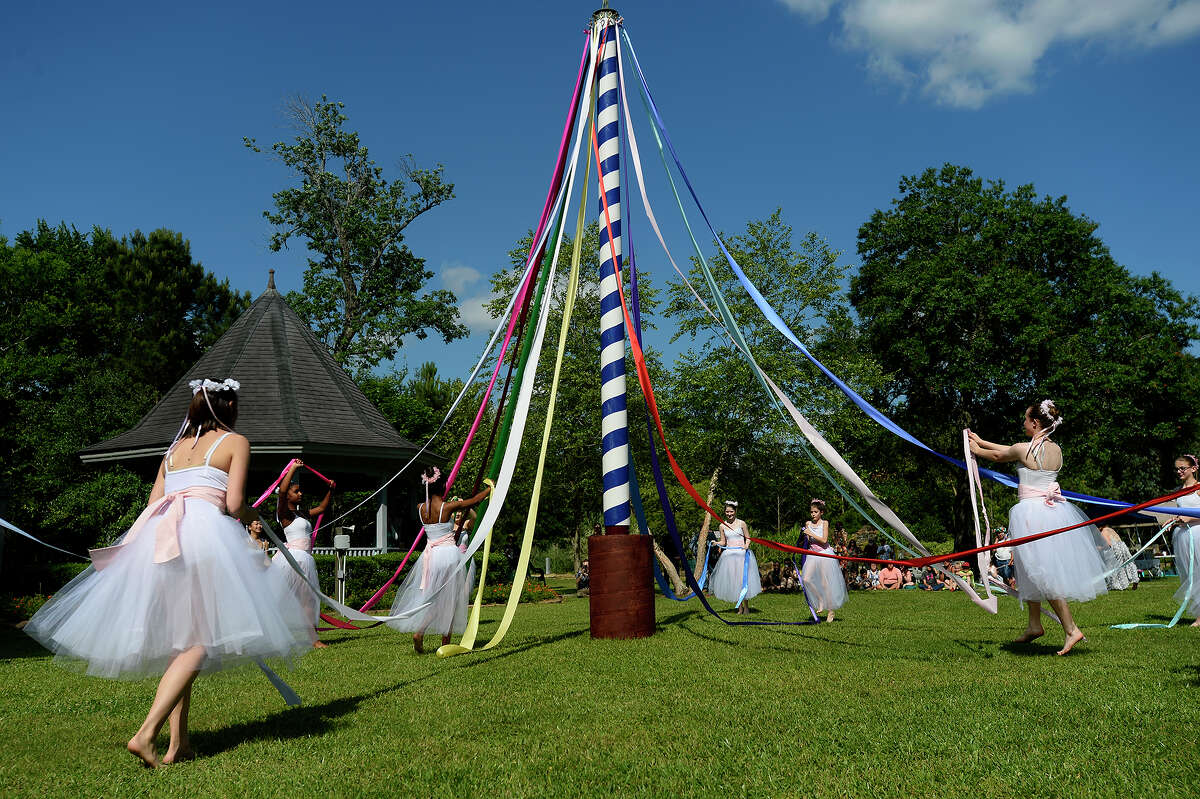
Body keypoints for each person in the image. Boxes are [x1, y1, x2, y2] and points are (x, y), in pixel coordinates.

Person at [25, 378, 315, 767]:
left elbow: (155, 501)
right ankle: (146, 734)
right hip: (204, 539)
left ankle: (180, 743)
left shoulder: (174, 451)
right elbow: (232, 504)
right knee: (198, 642)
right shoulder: (236, 442)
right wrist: (254, 517)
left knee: (182, 644)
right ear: (229, 408)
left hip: (164, 539)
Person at [969, 399, 1107, 655]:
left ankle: (1071, 629)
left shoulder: (1026, 450)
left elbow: (1001, 455)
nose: (1023, 424)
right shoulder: (1056, 450)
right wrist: (981, 440)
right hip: (1053, 513)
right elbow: (1010, 448)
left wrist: (975, 448)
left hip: (1032, 514)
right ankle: (1034, 625)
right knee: (1029, 568)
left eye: (1025, 420)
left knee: (1042, 572)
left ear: (1035, 423)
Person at [387, 467, 493, 653]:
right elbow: (474, 501)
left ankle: (421, 631)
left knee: (433, 598)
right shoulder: (447, 507)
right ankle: (445, 644)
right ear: (443, 485)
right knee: (451, 599)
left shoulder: (420, 508)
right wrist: (491, 489)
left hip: (430, 557)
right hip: (449, 555)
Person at [271, 459, 335, 647]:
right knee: (281, 598)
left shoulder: (302, 514)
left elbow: (322, 508)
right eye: (296, 491)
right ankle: (270, 635)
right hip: (292, 559)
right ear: (287, 496)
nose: (300, 493)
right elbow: (282, 491)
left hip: (305, 559)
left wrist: (330, 489)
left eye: (300, 490)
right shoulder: (284, 513)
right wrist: (292, 468)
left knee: (308, 599)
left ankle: (313, 639)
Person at [710, 501, 762, 614]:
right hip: (729, 556)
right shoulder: (722, 525)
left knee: (743, 580)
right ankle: (739, 608)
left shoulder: (742, 523)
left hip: (741, 555)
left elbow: (748, 538)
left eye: (731, 511)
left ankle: (746, 607)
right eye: (727, 511)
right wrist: (716, 543)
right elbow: (724, 542)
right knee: (734, 582)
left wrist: (746, 545)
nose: (729, 514)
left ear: (735, 511)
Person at [800, 499, 847, 621]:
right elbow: (809, 540)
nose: (813, 514)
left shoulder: (824, 523)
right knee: (806, 579)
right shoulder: (807, 524)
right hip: (812, 554)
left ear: (821, 512)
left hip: (824, 554)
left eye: (815, 512)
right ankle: (820, 599)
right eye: (811, 512)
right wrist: (806, 535)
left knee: (826, 583)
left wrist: (810, 532)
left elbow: (824, 540)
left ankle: (831, 611)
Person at [1171, 454, 1200, 625]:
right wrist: (1173, 520)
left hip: (1198, 535)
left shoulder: (1198, 488)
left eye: (1183, 468)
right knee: (1192, 576)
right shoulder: (1179, 491)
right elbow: (1181, 512)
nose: (1179, 471)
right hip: (1183, 537)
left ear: (1194, 469)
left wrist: (1188, 519)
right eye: (1177, 469)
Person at [1098, 526, 1139, 591]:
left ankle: (1118, 585)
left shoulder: (1103, 532)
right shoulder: (1110, 529)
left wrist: (1100, 548)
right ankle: (1135, 579)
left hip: (1115, 548)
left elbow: (1108, 544)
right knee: (1129, 563)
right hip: (1123, 546)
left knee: (1114, 567)